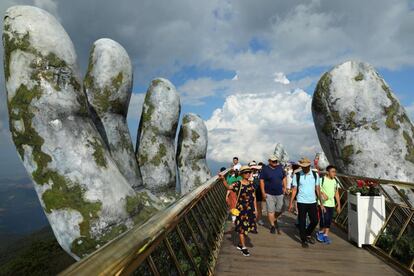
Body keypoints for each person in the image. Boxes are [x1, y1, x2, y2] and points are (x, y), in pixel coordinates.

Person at [219, 166, 257, 257]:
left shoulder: (251, 184)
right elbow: (228, 187)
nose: (248, 174)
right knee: (241, 228)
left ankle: (240, 244)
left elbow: (254, 196)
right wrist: (223, 179)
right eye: (246, 172)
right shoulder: (238, 184)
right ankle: (243, 247)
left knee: (247, 228)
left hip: (250, 210)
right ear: (242, 174)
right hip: (241, 210)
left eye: (249, 172)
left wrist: (255, 208)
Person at [289, 157, 325, 248]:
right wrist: (291, 203)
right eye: (303, 167)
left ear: (309, 166)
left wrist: (321, 203)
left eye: (306, 167)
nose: (304, 168)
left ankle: (307, 233)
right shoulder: (297, 175)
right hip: (301, 201)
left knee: (315, 220)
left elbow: (317, 189)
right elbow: (294, 190)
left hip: (312, 201)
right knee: (302, 221)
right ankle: (303, 240)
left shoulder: (315, 175)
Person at [260, 155, 287, 234]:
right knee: (271, 210)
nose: (275, 162)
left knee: (280, 208)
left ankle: (274, 219)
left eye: (276, 161)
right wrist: (263, 192)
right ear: (269, 161)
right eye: (273, 161)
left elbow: (284, 177)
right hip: (269, 193)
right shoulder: (265, 169)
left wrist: (285, 187)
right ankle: (272, 225)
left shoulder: (280, 168)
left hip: (280, 193)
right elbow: (261, 181)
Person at [316, 165, 341, 244]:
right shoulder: (321, 180)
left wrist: (339, 205)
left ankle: (325, 235)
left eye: (335, 172)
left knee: (329, 220)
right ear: (327, 172)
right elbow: (317, 189)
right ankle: (320, 232)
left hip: (331, 204)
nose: (334, 173)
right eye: (333, 172)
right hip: (323, 204)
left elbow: (336, 193)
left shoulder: (335, 181)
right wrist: (322, 194)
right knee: (324, 219)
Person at [249, 161, 264, 226]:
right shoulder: (249, 174)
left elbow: (262, 167)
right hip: (251, 192)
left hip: (258, 191)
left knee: (259, 206)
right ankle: (252, 219)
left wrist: (254, 167)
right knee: (251, 206)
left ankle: (259, 219)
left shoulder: (260, 172)